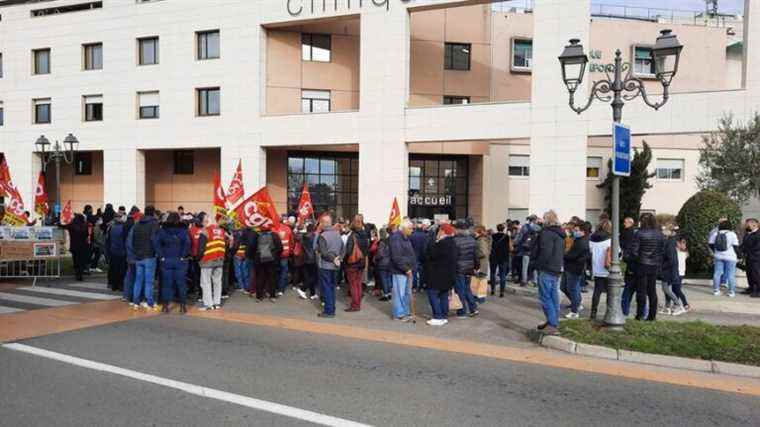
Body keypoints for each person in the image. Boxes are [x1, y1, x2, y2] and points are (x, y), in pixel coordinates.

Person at [532, 210, 565, 334]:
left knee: (545, 297)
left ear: (546, 220)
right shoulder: (560, 233)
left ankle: (552, 323)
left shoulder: (546, 233)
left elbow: (545, 251)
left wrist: (537, 265)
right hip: (556, 268)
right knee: (553, 296)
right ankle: (552, 320)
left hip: (546, 268)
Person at [630, 213, 665, 321]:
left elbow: (634, 251)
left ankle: (640, 315)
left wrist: (636, 260)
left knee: (641, 291)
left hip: (641, 264)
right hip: (654, 265)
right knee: (652, 291)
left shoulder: (639, 233)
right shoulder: (660, 234)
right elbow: (662, 250)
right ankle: (652, 316)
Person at [154, 212, 191, 314]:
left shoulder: (162, 230)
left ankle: (165, 306)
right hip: (180, 261)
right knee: (181, 283)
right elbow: (187, 243)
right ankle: (183, 306)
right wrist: (183, 256)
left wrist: (161, 256)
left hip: (166, 260)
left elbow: (156, 243)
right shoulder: (183, 230)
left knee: (166, 284)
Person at [126, 206, 160, 311]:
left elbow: (133, 241)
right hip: (149, 256)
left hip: (138, 257)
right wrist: (158, 252)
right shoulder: (154, 224)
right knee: (149, 281)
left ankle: (136, 302)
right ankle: (149, 302)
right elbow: (155, 240)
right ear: (153, 213)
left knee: (138, 279)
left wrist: (136, 252)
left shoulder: (137, 224)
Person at [425, 223, 458, 326]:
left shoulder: (441, 243)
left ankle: (438, 316)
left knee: (432, 293)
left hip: (437, 274)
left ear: (443, 231)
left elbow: (431, 255)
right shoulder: (452, 243)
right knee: (443, 294)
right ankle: (443, 315)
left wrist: (433, 242)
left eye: (439, 231)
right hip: (448, 274)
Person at [197, 215, 228, 310]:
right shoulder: (222, 232)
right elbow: (225, 245)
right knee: (217, 282)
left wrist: (199, 259)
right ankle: (217, 303)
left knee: (206, 283)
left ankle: (208, 304)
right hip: (219, 260)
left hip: (207, 260)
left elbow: (201, 249)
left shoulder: (205, 231)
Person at [389, 219, 416, 321]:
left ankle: (405, 311)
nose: (412, 230)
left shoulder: (405, 237)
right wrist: (406, 269)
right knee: (399, 293)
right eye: (410, 228)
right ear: (404, 228)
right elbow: (397, 256)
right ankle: (399, 314)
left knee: (406, 292)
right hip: (400, 270)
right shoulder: (396, 238)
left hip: (407, 269)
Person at [317, 214, 343, 318]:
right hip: (336, 266)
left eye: (321, 222)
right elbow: (343, 248)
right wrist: (338, 258)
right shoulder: (338, 234)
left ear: (323, 223)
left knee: (327, 288)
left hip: (326, 266)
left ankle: (329, 311)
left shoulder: (322, 236)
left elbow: (323, 253)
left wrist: (333, 259)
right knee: (332, 288)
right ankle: (332, 308)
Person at [563, 221, 589, 319]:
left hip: (574, 269)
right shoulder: (578, 240)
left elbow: (572, 255)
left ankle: (574, 311)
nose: (574, 231)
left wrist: (564, 254)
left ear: (583, 231)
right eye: (574, 229)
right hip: (570, 267)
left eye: (577, 230)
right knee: (564, 287)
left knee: (572, 289)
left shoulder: (582, 242)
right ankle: (577, 304)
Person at [453, 220, 479, 318]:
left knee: (460, 290)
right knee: (467, 288)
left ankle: (462, 311)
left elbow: (454, 257)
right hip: (469, 268)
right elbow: (476, 256)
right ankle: (473, 308)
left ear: (458, 229)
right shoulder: (472, 240)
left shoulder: (455, 240)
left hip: (458, 268)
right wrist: (476, 267)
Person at [250, 223, 282, 303]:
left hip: (259, 260)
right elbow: (280, 247)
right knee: (272, 278)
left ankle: (259, 296)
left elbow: (251, 247)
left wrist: (254, 257)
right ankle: (272, 296)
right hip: (272, 259)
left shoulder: (256, 235)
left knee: (260, 277)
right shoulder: (274, 235)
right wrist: (275, 255)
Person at [343, 215, 369, 312]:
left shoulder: (352, 236)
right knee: (358, 284)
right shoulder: (365, 234)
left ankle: (355, 305)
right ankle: (357, 303)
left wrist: (344, 260)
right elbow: (366, 250)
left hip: (352, 264)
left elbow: (349, 251)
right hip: (361, 263)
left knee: (353, 285)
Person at [709, 218, 740, 298]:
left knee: (717, 273)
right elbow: (736, 247)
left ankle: (716, 290)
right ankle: (731, 292)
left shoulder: (715, 234)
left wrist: (715, 251)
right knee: (731, 275)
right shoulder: (732, 234)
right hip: (730, 257)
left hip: (718, 256)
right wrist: (739, 256)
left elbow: (710, 244)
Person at [588, 220, 612, 320]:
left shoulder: (592, 238)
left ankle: (593, 313)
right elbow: (618, 253)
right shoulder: (611, 240)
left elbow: (590, 252)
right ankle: (609, 313)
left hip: (597, 268)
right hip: (608, 269)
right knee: (611, 292)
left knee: (597, 291)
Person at [660, 227, 686, 316]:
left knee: (665, 289)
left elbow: (671, 259)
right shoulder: (670, 242)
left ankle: (678, 305)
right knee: (666, 289)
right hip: (670, 269)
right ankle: (667, 307)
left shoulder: (670, 243)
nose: (663, 231)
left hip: (668, 270)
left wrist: (662, 267)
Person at [61, 214, 90, 281]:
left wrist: (58, 224)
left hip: (74, 246)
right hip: (83, 246)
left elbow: (64, 226)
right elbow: (87, 235)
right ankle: (80, 274)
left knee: (76, 260)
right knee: (81, 261)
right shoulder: (85, 226)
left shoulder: (71, 225)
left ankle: (77, 274)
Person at [105, 213, 128, 292]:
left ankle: (114, 285)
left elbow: (108, 240)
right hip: (122, 251)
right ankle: (120, 285)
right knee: (121, 269)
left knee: (114, 268)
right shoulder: (123, 228)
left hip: (113, 251)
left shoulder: (111, 228)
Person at [620, 217, 638, 316]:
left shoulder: (628, 234)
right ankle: (643, 312)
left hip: (632, 268)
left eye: (625, 222)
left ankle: (624, 311)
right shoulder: (635, 234)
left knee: (628, 290)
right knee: (641, 292)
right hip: (641, 268)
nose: (624, 224)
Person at [297, 223, 319, 300]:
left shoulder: (303, 236)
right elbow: (316, 247)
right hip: (312, 258)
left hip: (305, 258)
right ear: (313, 229)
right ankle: (303, 288)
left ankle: (313, 293)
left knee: (309, 276)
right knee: (314, 276)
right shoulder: (313, 236)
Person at [517, 215, 540, 287]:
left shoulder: (524, 227)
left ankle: (524, 281)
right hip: (535, 251)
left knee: (525, 266)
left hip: (526, 249)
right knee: (535, 267)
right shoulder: (539, 228)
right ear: (535, 220)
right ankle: (535, 281)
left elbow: (520, 237)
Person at [231, 225, 254, 295]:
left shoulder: (238, 235)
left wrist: (233, 253)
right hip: (245, 254)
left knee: (238, 271)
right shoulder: (248, 234)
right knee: (245, 270)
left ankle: (242, 286)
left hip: (238, 254)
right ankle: (247, 286)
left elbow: (235, 246)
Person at [489, 223, 511, 297]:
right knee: (502, 275)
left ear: (497, 228)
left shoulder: (492, 236)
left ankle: (492, 290)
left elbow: (490, 246)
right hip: (504, 257)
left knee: (493, 273)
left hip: (494, 257)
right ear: (503, 229)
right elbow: (511, 247)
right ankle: (502, 292)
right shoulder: (507, 237)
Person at [741, 218, 760, 298]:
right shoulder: (748, 233)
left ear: (754, 224)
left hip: (756, 258)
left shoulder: (758, 234)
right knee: (749, 273)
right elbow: (744, 245)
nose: (745, 225)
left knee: (757, 274)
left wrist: (750, 252)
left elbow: (757, 247)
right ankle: (751, 288)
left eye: (747, 224)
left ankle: (759, 290)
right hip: (748, 257)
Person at [409, 221, 429, 293]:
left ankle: (414, 287)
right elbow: (427, 247)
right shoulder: (426, 235)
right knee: (422, 272)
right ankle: (421, 287)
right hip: (423, 256)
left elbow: (410, 246)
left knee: (414, 272)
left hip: (414, 256)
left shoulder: (412, 235)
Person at [275, 221, 293, 296]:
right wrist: (291, 251)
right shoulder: (288, 229)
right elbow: (291, 241)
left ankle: (277, 286)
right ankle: (281, 289)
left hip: (276, 254)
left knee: (276, 271)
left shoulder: (274, 229)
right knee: (284, 271)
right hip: (285, 253)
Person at [374, 227, 393, 301]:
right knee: (388, 278)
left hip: (383, 263)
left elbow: (380, 254)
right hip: (389, 262)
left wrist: (376, 258)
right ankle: (389, 293)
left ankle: (386, 295)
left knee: (384, 279)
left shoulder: (382, 242)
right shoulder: (390, 241)